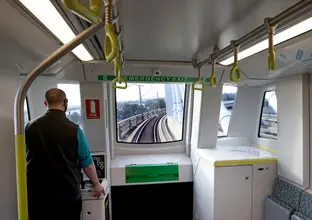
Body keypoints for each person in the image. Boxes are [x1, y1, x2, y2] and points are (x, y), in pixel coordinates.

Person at [25, 88, 104, 220]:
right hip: (67, 195)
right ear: (65, 102)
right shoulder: (75, 130)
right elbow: (87, 163)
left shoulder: (29, 127)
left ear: (46, 103)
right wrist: (96, 184)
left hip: (36, 195)